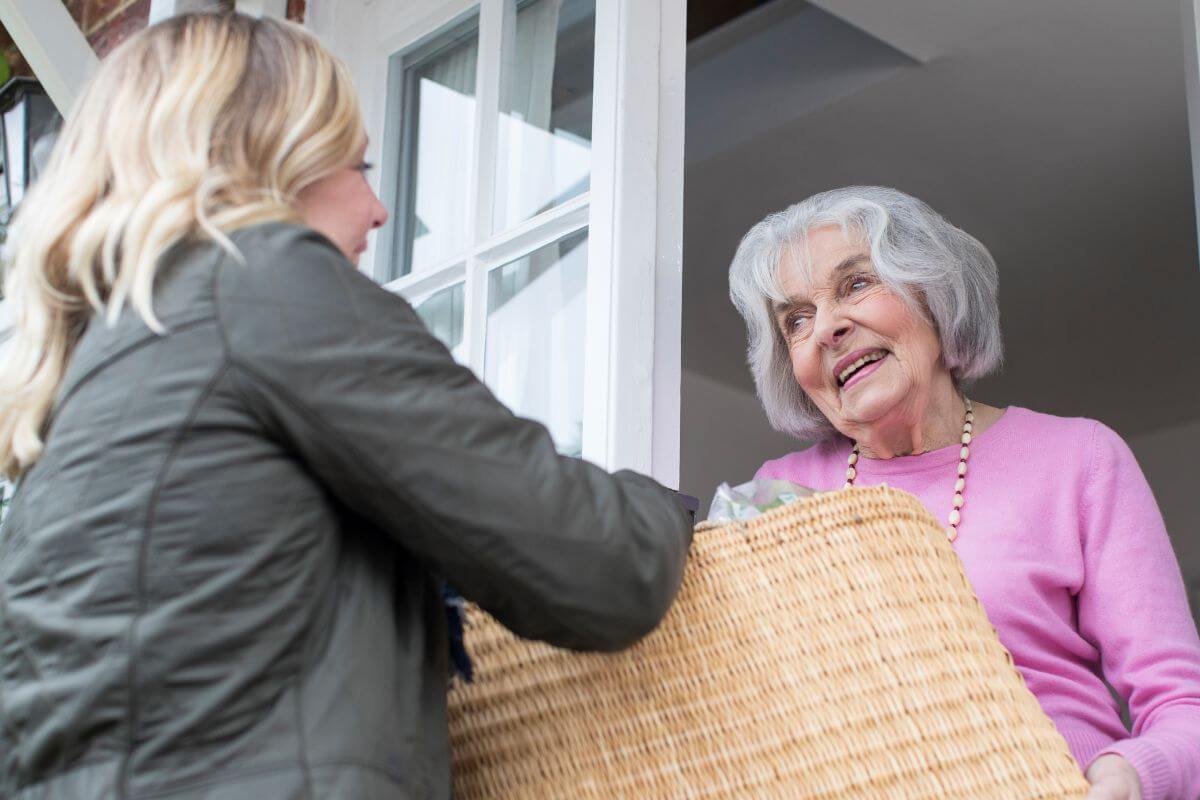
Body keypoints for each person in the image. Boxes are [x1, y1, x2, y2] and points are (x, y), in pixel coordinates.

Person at [0, 13, 692, 799]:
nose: (379, 209)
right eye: (358, 165)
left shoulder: (90, 389)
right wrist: (672, 507)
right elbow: (595, 566)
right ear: (271, 159)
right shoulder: (263, 285)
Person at [729, 186, 1200, 800]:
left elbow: (1181, 701)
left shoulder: (1077, 459)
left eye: (855, 285)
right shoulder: (778, 496)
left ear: (931, 293)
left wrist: (1128, 774)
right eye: (795, 320)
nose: (827, 328)